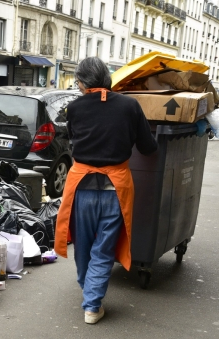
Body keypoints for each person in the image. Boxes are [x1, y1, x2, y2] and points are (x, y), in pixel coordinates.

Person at [54, 57, 158, 324]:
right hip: (116, 188)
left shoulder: (74, 108)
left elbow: (72, 140)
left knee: (84, 246)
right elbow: (148, 147)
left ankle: (89, 292)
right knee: (104, 248)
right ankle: (92, 305)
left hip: (81, 187)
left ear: (82, 81)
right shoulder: (130, 106)